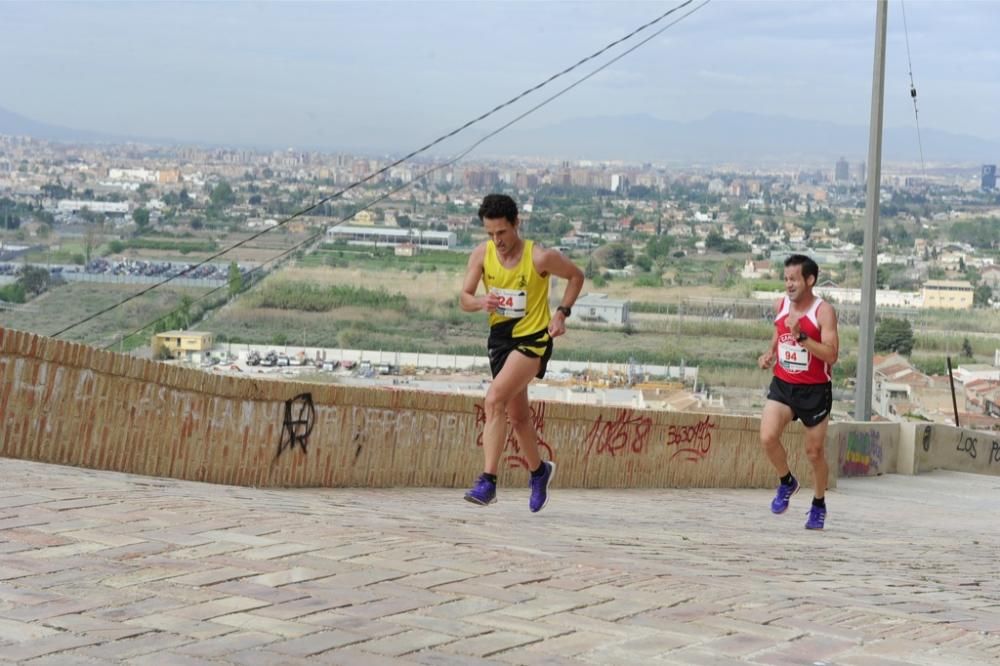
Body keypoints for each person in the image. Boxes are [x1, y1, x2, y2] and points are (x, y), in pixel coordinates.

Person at [460, 193, 584, 512]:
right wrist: (480, 303)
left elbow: (575, 276)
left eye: (502, 232)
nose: (496, 240)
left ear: (516, 223)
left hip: (532, 339)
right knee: (517, 417)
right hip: (500, 340)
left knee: (494, 399)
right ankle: (539, 471)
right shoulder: (481, 255)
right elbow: (464, 298)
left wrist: (561, 313)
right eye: (490, 234)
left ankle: (488, 482)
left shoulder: (539, 257)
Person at [757, 254, 839, 530]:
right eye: (786, 279)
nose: (789, 285)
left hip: (814, 389)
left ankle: (818, 503)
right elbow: (779, 333)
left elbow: (832, 354)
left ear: (810, 280)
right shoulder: (781, 305)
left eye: (794, 279)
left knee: (814, 452)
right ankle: (786, 481)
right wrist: (770, 353)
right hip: (784, 384)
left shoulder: (822, 311)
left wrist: (803, 338)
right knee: (768, 437)